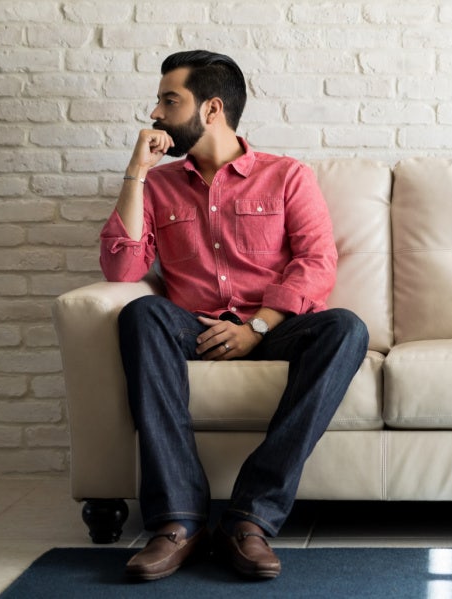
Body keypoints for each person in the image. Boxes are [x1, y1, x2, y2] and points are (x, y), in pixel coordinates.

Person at [99, 50, 369, 581]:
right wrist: (136, 170)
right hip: (191, 326)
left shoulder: (287, 176)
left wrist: (256, 328)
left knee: (346, 329)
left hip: (274, 324)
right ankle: (178, 520)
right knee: (140, 314)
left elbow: (317, 263)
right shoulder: (158, 185)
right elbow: (121, 269)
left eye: (169, 100)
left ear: (211, 108)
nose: (155, 113)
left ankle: (249, 516)